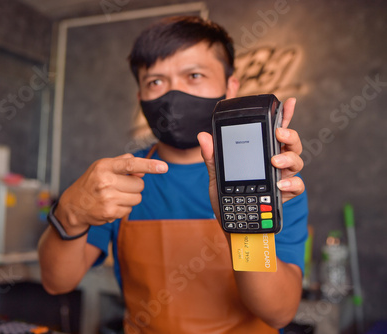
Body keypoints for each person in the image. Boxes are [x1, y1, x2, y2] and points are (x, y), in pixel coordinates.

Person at [38, 16, 308, 333]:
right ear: (140, 98)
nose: (173, 93)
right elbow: (57, 283)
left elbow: (279, 313)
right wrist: (70, 213)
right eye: (155, 82)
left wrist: (243, 229)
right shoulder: (119, 179)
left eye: (194, 75)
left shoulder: (274, 180)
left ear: (230, 85)